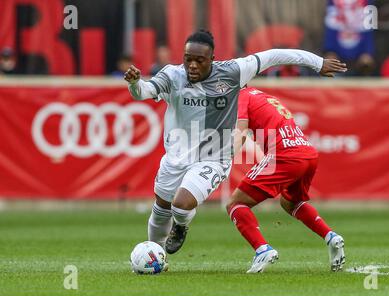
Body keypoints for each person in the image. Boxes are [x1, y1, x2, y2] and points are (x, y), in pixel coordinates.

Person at [124, 30, 347, 257]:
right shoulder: (172, 75)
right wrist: (134, 83)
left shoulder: (233, 71)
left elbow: (275, 55)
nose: (192, 65)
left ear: (212, 59)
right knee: (161, 210)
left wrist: (317, 63)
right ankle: (156, 255)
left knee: (180, 205)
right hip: (176, 156)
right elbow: (144, 91)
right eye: (187, 58)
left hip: (213, 158)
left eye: (199, 60)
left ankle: (180, 225)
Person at [227, 87, 345, 273]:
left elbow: (240, 132)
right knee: (291, 203)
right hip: (307, 153)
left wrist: (223, 157)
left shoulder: (242, 96)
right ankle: (331, 237)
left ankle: (262, 249)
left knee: (235, 203)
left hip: (284, 155)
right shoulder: (263, 95)